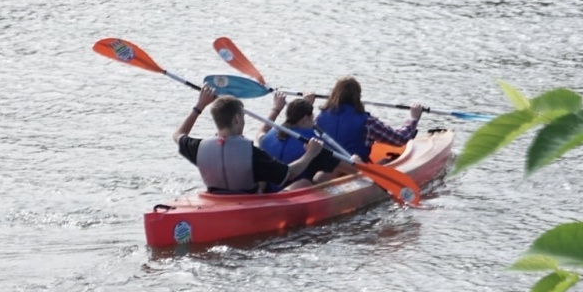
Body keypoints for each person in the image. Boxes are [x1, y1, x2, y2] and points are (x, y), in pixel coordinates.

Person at [174, 86, 324, 193]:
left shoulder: (198, 147)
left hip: (216, 199)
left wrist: (199, 106)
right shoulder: (252, 153)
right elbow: (289, 173)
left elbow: (178, 134)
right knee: (303, 183)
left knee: (263, 177)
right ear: (237, 118)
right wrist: (310, 154)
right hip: (246, 203)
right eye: (243, 117)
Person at [314, 76, 423, 163]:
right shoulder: (367, 122)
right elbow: (400, 139)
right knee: (387, 161)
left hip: (325, 167)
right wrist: (413, 118)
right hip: (353, 168)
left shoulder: (317, 119)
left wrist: (308, 102)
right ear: (358, 97)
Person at [258, 92, 355, 187]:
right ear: (305, 119)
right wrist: (354, 161)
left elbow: (262, 130)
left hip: (269, 191)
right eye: (312, 118)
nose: (314, 122)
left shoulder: (267, 136)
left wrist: (276, 109)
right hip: (292, 192)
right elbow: (351, 168)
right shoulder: (313, 144)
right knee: (333, 171)